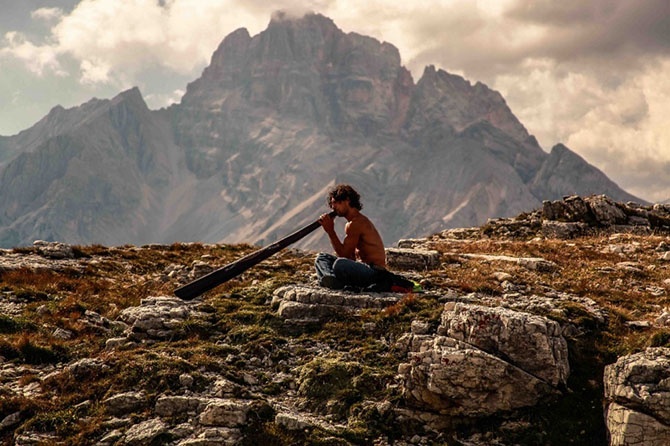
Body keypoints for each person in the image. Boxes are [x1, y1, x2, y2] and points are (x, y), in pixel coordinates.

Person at [315, 184, 387, 290]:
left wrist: (330, 231)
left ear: (347, 200)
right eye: (332, 204)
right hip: (362, 268)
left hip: (375, 272)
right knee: (321, 258)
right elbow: (349, 257)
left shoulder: (357, 223)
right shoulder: (351, 224)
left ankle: (334, 281)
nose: (333, 207)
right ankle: (331, 279)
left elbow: (344, 255)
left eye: (337, 203)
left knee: (340, 264)